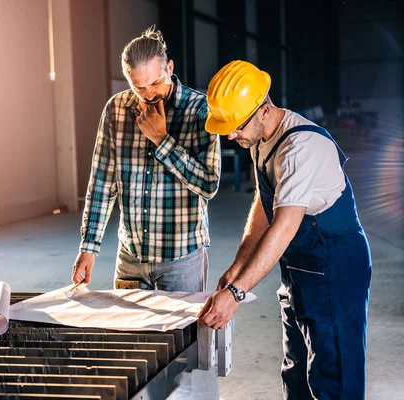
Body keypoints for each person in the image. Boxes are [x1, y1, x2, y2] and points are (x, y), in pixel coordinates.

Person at [198, 60, 372, 400]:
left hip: (334, 265)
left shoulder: (300, 148)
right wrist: (239, 266)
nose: (231, 136)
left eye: (235, 127)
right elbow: (265, 206)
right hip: (300, 267)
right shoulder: (261, 138)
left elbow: (284, 227)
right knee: (296, 372)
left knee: (332, 375)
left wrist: (236, 294)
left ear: (263, 110)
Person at [71, 26, 220, 292]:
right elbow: (102, 184)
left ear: (170, 67)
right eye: (139, 87)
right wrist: (89, 247)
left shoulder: (200, 109)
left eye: (155, 83)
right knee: (132, 333)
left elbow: (208, 185)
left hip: (182, 259)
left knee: (182, 334)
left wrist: (162, 141)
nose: (149, 94)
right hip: (130, 258)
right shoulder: (116, 109)